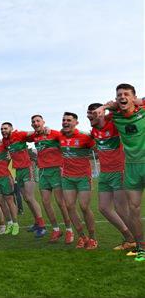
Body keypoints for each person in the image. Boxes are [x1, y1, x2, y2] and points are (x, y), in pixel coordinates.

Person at [93, 83, 144, 261]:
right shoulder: (115, 116)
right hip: (131, 167)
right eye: (119, 95)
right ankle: (141, 247)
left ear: (134, 97)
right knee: (133, 209)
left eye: (126, 94)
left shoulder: (142, 110)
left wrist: (138, 101)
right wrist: (105, 107)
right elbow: (98, 123)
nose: (122, 97)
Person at [87, 103, 135, 251]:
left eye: (92, 113)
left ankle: (140, 242)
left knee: (122, 209)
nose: (89, 117)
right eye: (88, 114)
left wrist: (106, 108)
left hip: (119, 170)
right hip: (104, 174)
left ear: (100, 113)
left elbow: (122, 110)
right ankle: (129, 238)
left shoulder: (113, 123)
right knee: (104, 208)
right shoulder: (94, 130)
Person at [29, 115, 73, 244]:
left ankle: (70, 230)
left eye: (38, 121)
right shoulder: (35, 137)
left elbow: (65, 144)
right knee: (46, 203)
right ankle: (56, 230)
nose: (35, 123)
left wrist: (64, 166)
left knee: (61, 203)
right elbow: (26, 135)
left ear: (43, 122)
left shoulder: (54, 134)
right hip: (43, 172)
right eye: (33, 122)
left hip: (56, 170)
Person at [56, 112, 97, 249]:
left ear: (76, 123)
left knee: (84, 207)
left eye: (69, 120)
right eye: (63, 120)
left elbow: (98, 147)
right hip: (67, 177)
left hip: (83, 177)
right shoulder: (59, 136)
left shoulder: (85, 137)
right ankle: (82, 237)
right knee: (69, 206)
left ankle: (92, 238)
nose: (65, 122)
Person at [0, 122, 46, 237]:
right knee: (26, 198)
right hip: (17, 171)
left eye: (5, 128)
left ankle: (42, 225)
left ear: (11, 128)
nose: (3, 130)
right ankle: (36, 222)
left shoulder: (19, 134)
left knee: (30, 197)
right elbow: (2, 149)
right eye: (1, 129)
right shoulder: (5, 141)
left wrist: (44, 128)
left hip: (27, 168)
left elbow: (32, 133)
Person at [0, 131, 20, 235]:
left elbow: (10, 142)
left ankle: (15, 224)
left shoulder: (2, 146)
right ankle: (9, 223)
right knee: (1, 203)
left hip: (5, 177)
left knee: (10, 201)